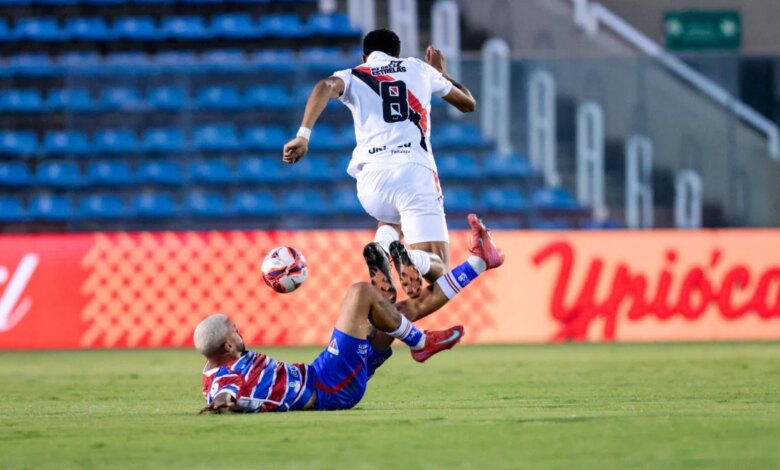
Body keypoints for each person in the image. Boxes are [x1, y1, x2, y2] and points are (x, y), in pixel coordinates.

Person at [197, 214, 503, 414]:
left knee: (396, 314)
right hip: (328, 385)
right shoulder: (225, 379)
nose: (240, 331)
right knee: (360, 293)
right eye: (234, 329)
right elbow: (224, 393)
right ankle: (421, 343)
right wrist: (222, 403)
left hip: (322, 375)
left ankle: (480, 262)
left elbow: (225, 387)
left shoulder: (219, 367)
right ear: (228, 345)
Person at [282, 29, 477, 304]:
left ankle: (382, 247)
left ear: (365, 56)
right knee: (440, 270)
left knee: (393, 216)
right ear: (397, 54)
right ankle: (411, 257)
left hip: (371, 184)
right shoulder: (418, 68)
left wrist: (303, 136)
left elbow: (324, 86)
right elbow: (468, 103)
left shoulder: (354, 74)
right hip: (413, 173)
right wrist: (441, 73)